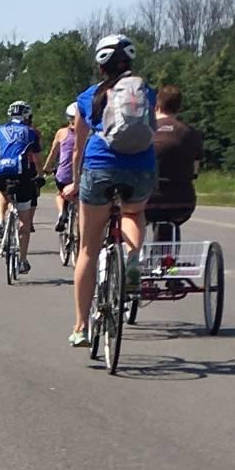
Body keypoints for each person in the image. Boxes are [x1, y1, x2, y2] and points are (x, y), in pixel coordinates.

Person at [69, 35, 156, 347]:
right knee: (134, 211)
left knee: (88, 251)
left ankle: (80, 327)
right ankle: (132, 258)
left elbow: (78, 148)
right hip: (142, 167)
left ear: (100, 65)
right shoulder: (147, 90)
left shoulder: (87, 96)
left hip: (99, 166)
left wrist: (76, 183)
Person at [143, 85, 205, 242]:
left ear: (156, 104)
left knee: (130, 214)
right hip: (182, 202)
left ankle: (131, 256)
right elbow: (195, 172)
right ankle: (167, 260)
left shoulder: (144, 131)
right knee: (170, 219)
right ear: (179, 107)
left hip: (146, 200)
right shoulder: (190, 133)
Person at [0, 102, 44, 275]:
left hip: (2, 172)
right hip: (23, 175)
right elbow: (36, 158)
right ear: (27, 116)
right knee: (24, 221)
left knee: (2, 193)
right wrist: (41, 175)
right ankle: (22, 261)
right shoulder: (31, 132)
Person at [43, 102, 82, 235]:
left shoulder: (61, 133)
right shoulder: (87, 133)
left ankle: (62, 213)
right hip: (81, 174)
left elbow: (53, 153)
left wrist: (46, 168)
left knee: (60, 194)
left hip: (64, 175)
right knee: (79, 200)